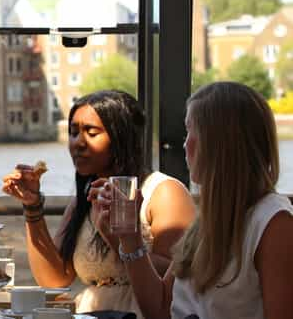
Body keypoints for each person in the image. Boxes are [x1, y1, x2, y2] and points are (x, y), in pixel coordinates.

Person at [91, 82, 293, 319]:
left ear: (220, 142)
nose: (185, 144)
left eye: (189, 131)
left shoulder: (274, 224)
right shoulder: (207, 221)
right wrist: (130, 237)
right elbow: (160, 309)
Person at [2, 90, 195, 316]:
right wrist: (32, 206)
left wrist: (119, 237)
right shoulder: (84, 199)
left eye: (91, 133)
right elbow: (55, 279)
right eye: (73, 133)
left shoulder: (163, 192)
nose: (78, 143)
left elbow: (178, 277)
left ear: (122, 137)